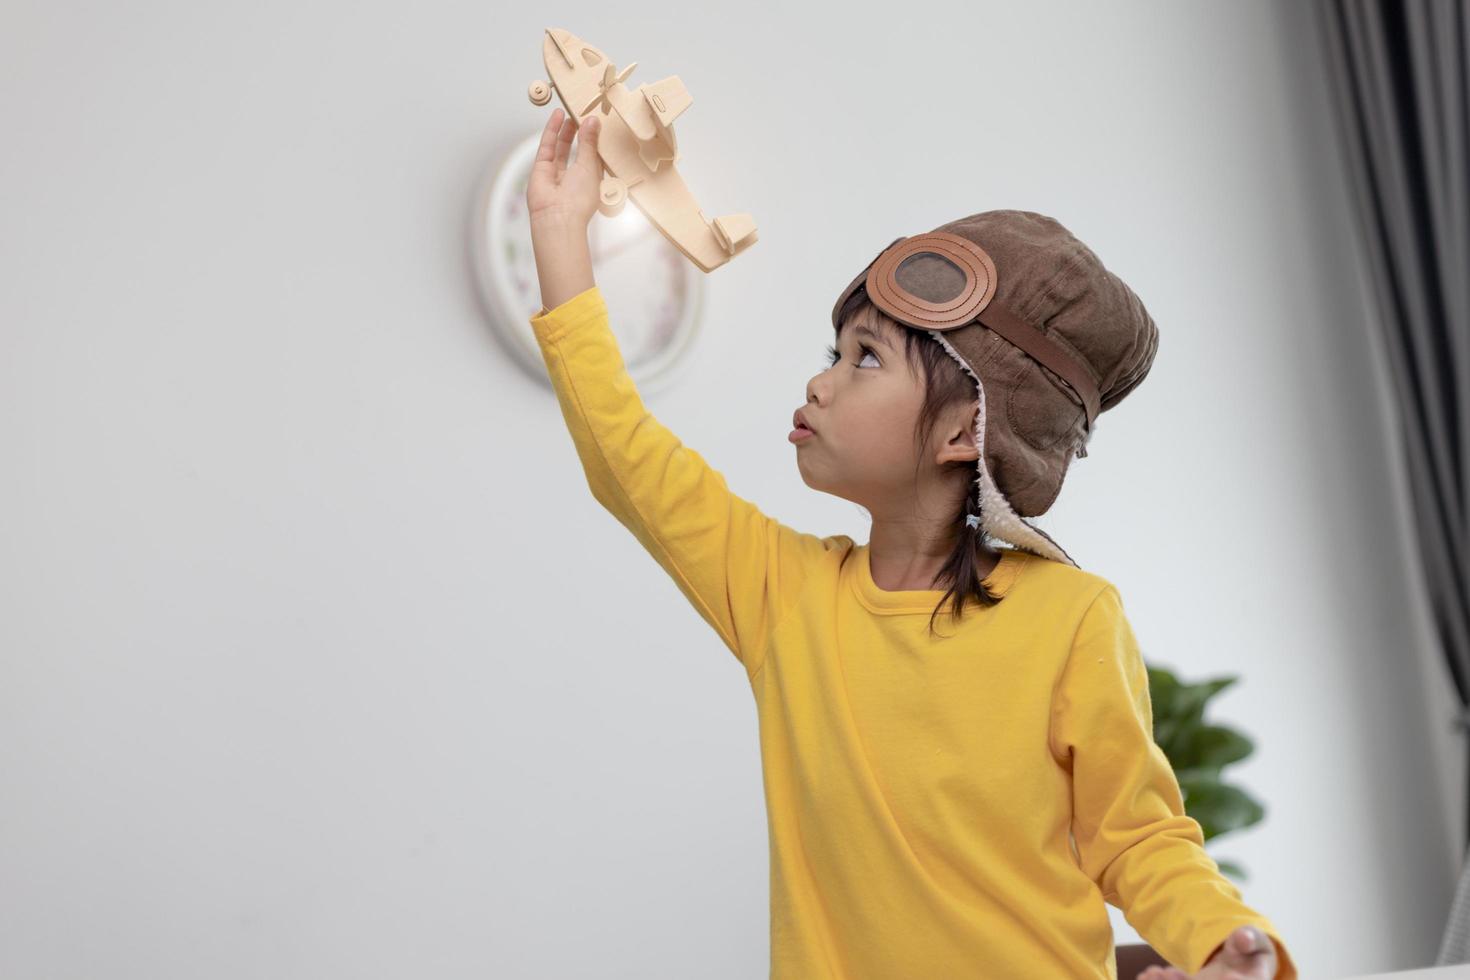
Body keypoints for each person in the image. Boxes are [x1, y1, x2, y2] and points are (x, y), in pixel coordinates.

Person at [522, 106, 1297, 980]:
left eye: (864, 358)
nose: (819, 380)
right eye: (835, 350)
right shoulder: (784, 595)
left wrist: (1226, 947)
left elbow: (1139, 839)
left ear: (968, 428)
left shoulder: (1072, 619)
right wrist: (559, 230)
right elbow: (624, 456)